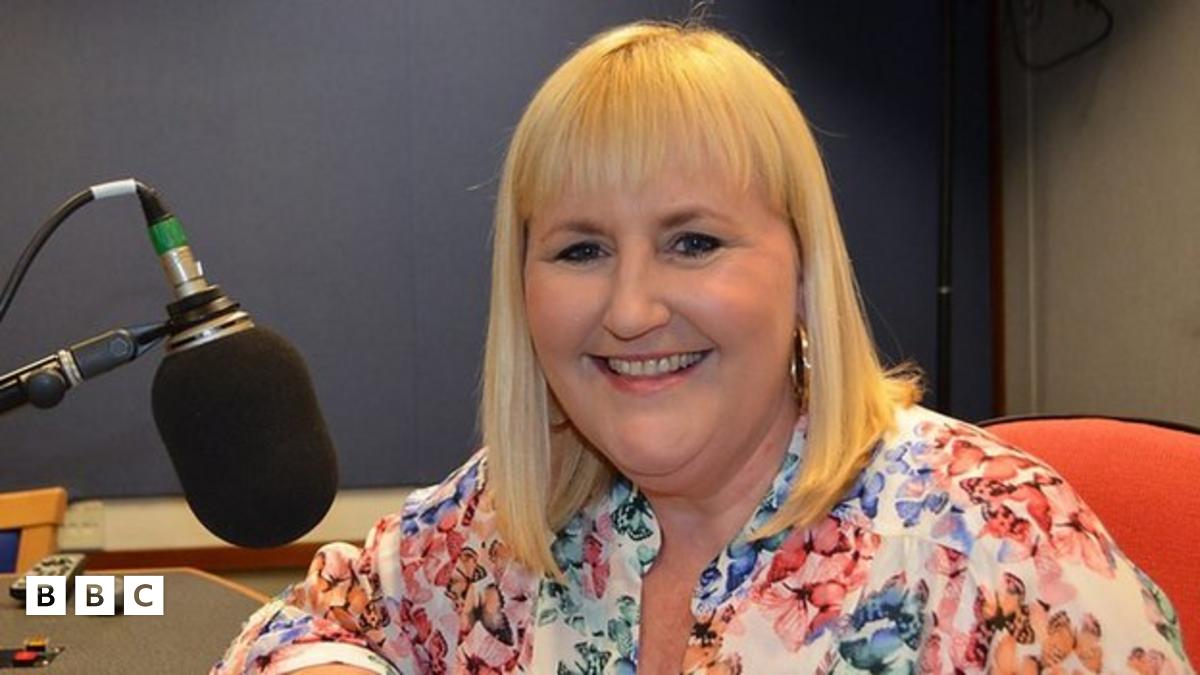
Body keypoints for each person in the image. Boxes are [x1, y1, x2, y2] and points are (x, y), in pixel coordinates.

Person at [213, 20, 1192, 675]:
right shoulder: (513, 515)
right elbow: (304, 622)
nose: (631, 309)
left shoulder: (995, 546)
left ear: (802, 271)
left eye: (692, 242)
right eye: (581, 249)